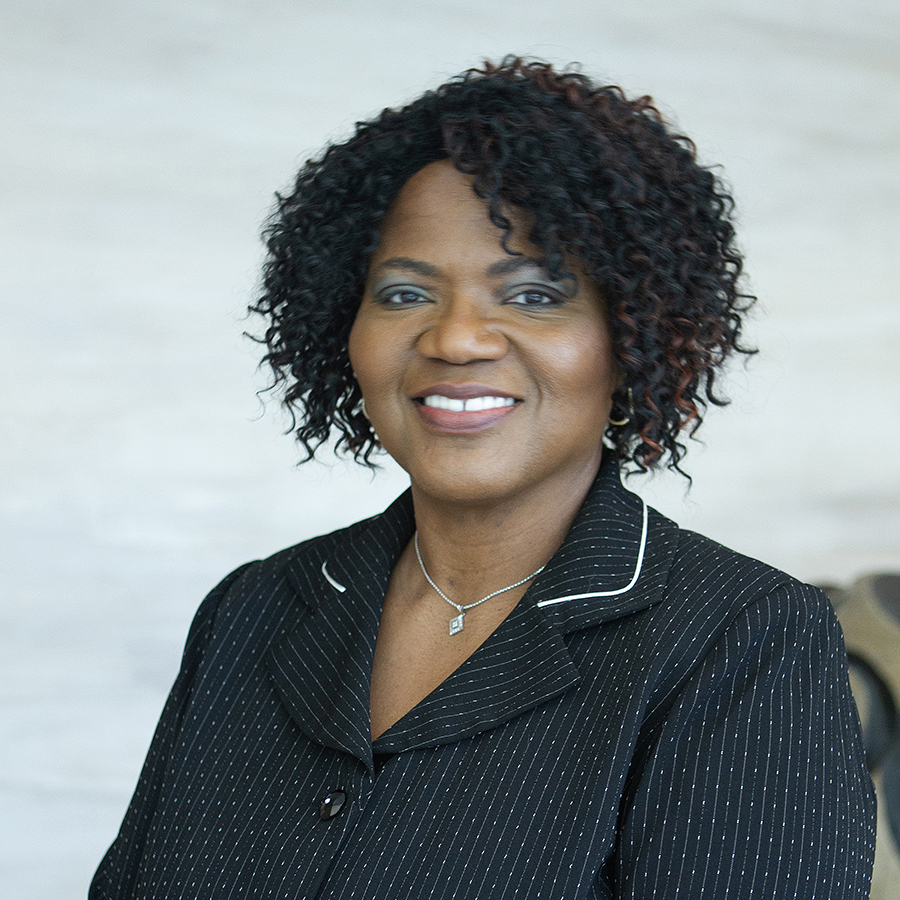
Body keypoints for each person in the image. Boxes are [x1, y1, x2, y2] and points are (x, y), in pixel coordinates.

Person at [90, 58, 875, 899]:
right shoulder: (254, 611)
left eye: (535, 296)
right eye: (402, 294)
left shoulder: (739, 640)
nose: (457, 338)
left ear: (635, 336)